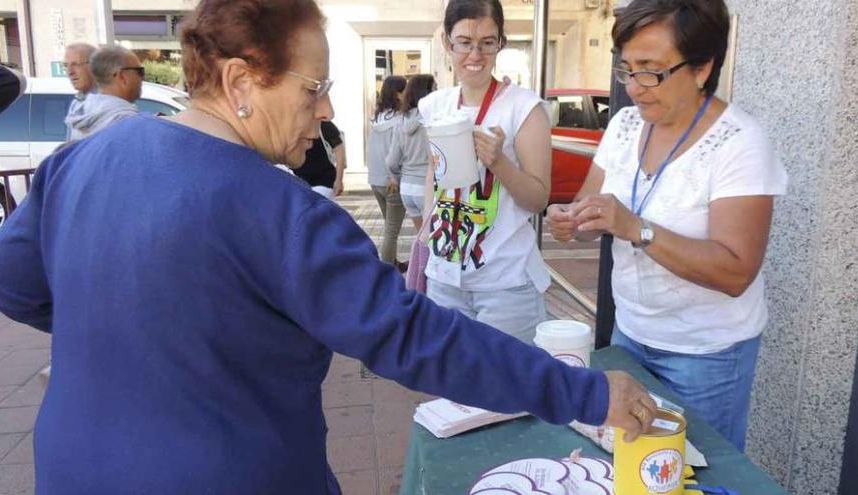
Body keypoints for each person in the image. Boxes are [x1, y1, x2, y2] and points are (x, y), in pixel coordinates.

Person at [0, 0, 656, 492]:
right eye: (312, 88)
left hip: (71, 467)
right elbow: (416, 337)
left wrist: (131, 326)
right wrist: (587, 394)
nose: (323, 110)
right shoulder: (277, 208)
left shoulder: (81, 160)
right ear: (238, 83)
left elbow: (17, 282)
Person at [547, 0, 788, 451]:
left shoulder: (739, 144)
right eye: (627, 69)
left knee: (692, 470)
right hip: (630, 334)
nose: (636, 87)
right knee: (629, 461)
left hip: (707, 357)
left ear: (702, 68)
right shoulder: (622, 126)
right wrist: (573, 221)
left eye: (651, 71)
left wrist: (638, 228)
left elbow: (736, 272)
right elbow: (591, 205)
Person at [418, 0, 552, 344]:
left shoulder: (524, 108)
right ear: (447, 43)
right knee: (450, 387)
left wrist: (499, 163)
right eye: (464, 42)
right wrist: (426, 231)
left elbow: (538, 199)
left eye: (487, 42)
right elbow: (433, 177)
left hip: (505, 283)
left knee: (505, 394)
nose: (475, 54)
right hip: (445, 277)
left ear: (500, 43)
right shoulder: (435, 106)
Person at [366, 75, 407, 268]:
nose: (407, 93)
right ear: (397, 93)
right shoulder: (399, 120)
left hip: (375, 180)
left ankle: (393, 262)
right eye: (404, 89)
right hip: (392, 181)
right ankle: (388, 270)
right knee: (391, 231)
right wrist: (395, 177)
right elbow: (395, 153)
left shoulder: (376, 117)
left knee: (390, 227)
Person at [386, 74, 436, 232]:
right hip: (426, 186)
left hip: (407, 188)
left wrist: (398, 177)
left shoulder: (400, 121)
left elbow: (391, 161)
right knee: (433, 242)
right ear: (426, 93)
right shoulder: (432, 120)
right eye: (435, 89)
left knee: (421, 238)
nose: (438, 92)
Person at [65, 45, 144, 140]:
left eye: (75, 64)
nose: (69, 71)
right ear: (122, 76)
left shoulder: (79, 114)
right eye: (140, 71)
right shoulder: (127, 122)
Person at [292, 119, 345, 199]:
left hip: (324, 182)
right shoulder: (291, 124)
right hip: (298, 182)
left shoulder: (322, 124)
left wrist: (339, 180)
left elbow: (339, 150)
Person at [62, 43, 97, 140]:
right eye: (66, 65)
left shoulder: (108, 103)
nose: (70, 72)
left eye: (75, 64)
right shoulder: (76, 103)